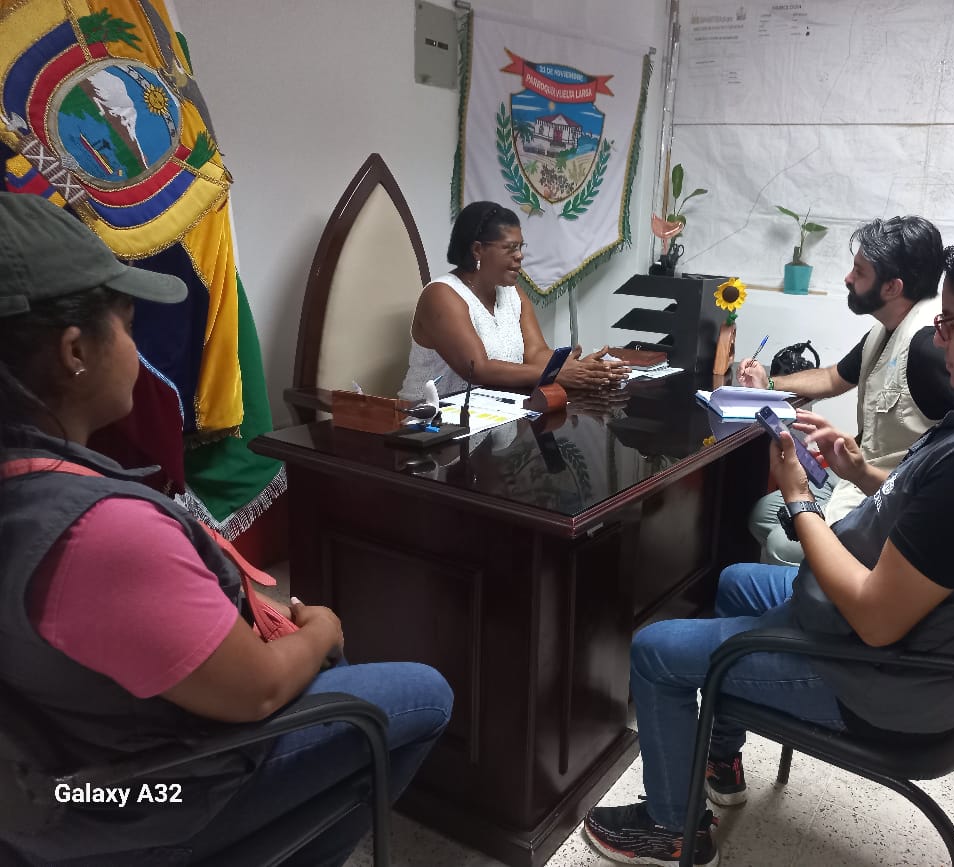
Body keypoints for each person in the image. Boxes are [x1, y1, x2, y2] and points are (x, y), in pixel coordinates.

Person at [583, 212, 954, 866]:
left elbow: (874, 616)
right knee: (734, 579)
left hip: (880, 678)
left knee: (655, 649)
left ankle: (672, 829)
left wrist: (798, 497)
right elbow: (941, 522)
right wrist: (862, 473)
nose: (940, 338)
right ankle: (719, 759)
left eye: (952, 323)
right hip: (921, 641)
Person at [0, 193, 453, 866]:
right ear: (75, 351)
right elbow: (258, 690)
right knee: (423, 695)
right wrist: (324, 629)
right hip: (131, 800)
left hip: (50, 779)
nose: (137, 349)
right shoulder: (96, 532)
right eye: (128, 327)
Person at [738, 216, 954, 567]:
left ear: (892, 287)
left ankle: (821, 588)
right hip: (854, 480)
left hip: (890, 501)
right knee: (763, 513)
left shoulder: (927, 347)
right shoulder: (885, 330)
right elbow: (833, 378)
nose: (847, 278)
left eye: (859, 272)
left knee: (783, 543)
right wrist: (768, 383)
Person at [398, 201, 628, 400]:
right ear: (477, 250)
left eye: (520, 247)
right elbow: (477, 369)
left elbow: (536, 352)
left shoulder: (511, 292)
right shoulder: (441, 295)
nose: (520, 255)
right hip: (431, 421)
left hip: (494, 413)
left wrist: (579, 369)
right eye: (510, 248)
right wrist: (556, 373)